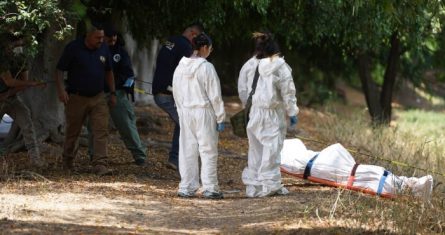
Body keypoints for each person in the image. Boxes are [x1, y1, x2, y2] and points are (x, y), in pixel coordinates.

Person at [238, 31, 299, 197]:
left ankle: (254, 187)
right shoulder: (279, 66)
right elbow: (288, 91)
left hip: (254, 113)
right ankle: (270, 185)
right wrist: (292, 112)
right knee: (271, 150)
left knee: (255, 150)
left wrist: (249, 106)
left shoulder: (249, 65)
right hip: (273, 113)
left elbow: (243, 89)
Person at [54, 22, 117, 176]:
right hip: (76, 97)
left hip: (98, 96)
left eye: (102, 37)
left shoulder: (104, 48)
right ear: (88, 36)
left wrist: (113, 93)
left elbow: (109, 71)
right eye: (97, 37)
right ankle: (67, 161)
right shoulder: (73, 48)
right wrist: (61, 90)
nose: (101, 40)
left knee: (101, 130)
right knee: (72, 132)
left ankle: (100, 164)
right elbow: (59, 70)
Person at [172, 33, 225, 199]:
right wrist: (220, 117)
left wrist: (181, 112)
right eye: (209, 48)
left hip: (186, 112)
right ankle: (210, 188)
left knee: (187, 149)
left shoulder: (180, 67)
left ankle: (187, 186)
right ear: (204, 47)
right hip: (204, 112)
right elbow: (215, 96)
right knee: (208, 150)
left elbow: (176, 92)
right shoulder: (206, 67)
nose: (210, 51)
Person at [87, 27, 147, 166]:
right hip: (97, 93)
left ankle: (139, 155)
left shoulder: (121, 52)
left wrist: (119, 87)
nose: (112, 40)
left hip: (118, 93)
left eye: (114, 37)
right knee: (94, 125)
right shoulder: (95, 51)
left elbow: (128, 73)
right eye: (109, 38)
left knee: (126, 125)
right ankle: (94, 155)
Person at [152, 23, 204, 170]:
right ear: (193, 34)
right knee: (188, 125)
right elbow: (190, 72)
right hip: (167, 95)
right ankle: (182, 163)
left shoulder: (171, 41)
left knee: (182, 123)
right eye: (198, 39)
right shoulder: (185, 47)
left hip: (161, 90)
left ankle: (175, 159)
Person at [0, 33, 47, 169]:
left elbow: (23, 83)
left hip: (12, 98)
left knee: (27, 125)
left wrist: (29, 84)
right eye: (16, 44)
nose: (19, 48)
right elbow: (9, 81)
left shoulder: (21, 59)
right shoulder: (2, 58)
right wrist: (30, 83)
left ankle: (35, 160)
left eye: (21, 45)